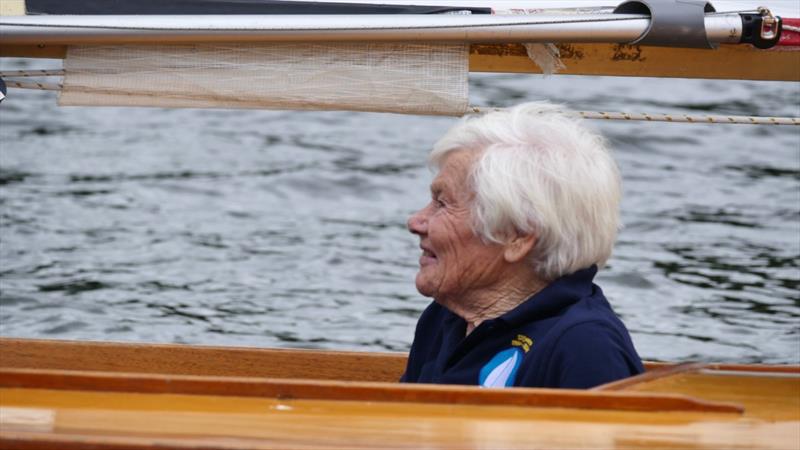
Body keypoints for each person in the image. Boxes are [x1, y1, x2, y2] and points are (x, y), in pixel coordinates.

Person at [401, 102, 643, 389]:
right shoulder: (444, 318)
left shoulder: (585, 348)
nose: (416, 221)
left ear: (517, 236)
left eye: (442, 203)